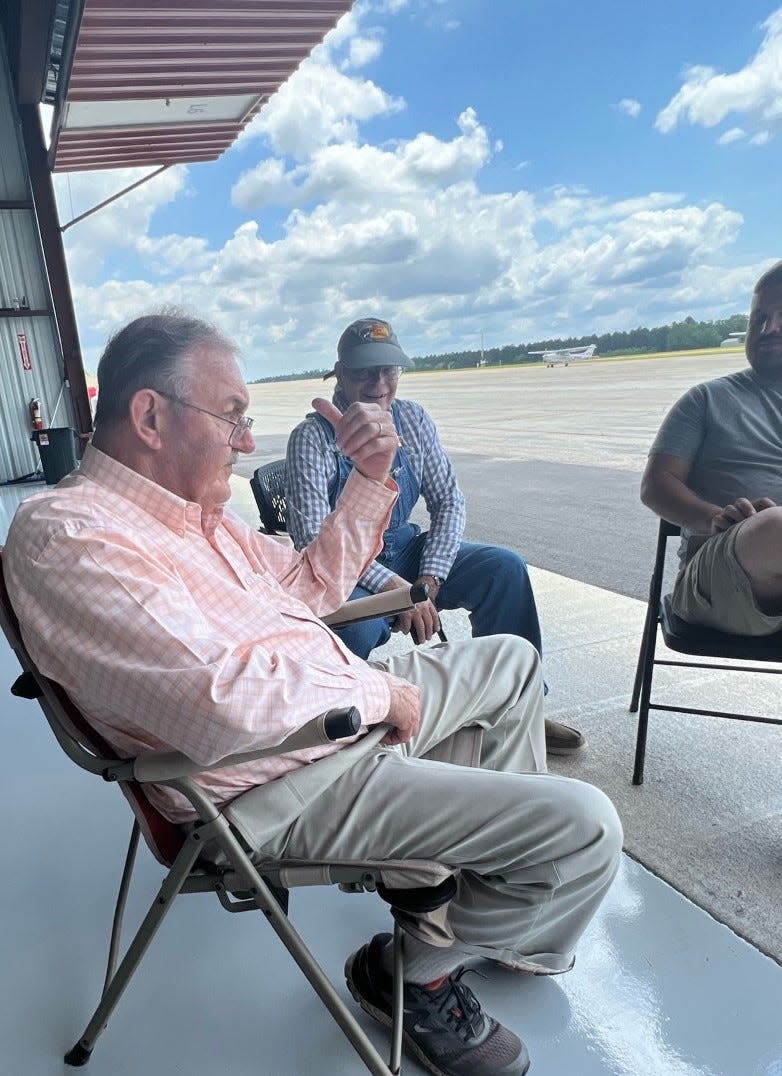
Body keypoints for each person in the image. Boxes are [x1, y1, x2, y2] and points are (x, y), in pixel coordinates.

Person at [5, 312, 622, 1076]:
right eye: (232, 416)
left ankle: (468, 907)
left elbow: (306, 587)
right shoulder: (71, 534)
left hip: (329, 716)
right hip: (282, 777)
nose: (244, 441)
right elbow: (219, 702)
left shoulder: (199, 522)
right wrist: (374, 693)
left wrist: (368, 483)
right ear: (150, 416)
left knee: (511, 663)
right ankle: (417, 970)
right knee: (587, 827)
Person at [285, 316, 586, 757]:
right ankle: (362, 735)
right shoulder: (311, 439)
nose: (379, 382)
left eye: (389, 370)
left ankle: (521, 707)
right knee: (352, 628)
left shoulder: (412, 418)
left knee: (504, 569)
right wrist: (398, 590)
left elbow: (450, 501)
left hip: (407, 552)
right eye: (365, 370)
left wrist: (430, 578)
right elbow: (314, 542)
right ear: (341, 373)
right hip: (344, 570)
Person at [642, 260, 782, 636]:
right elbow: (655, 484)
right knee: (773, 526)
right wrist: (714, 518)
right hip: (723, 577)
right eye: (759, 319)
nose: (769, 329)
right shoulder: (707, 400)